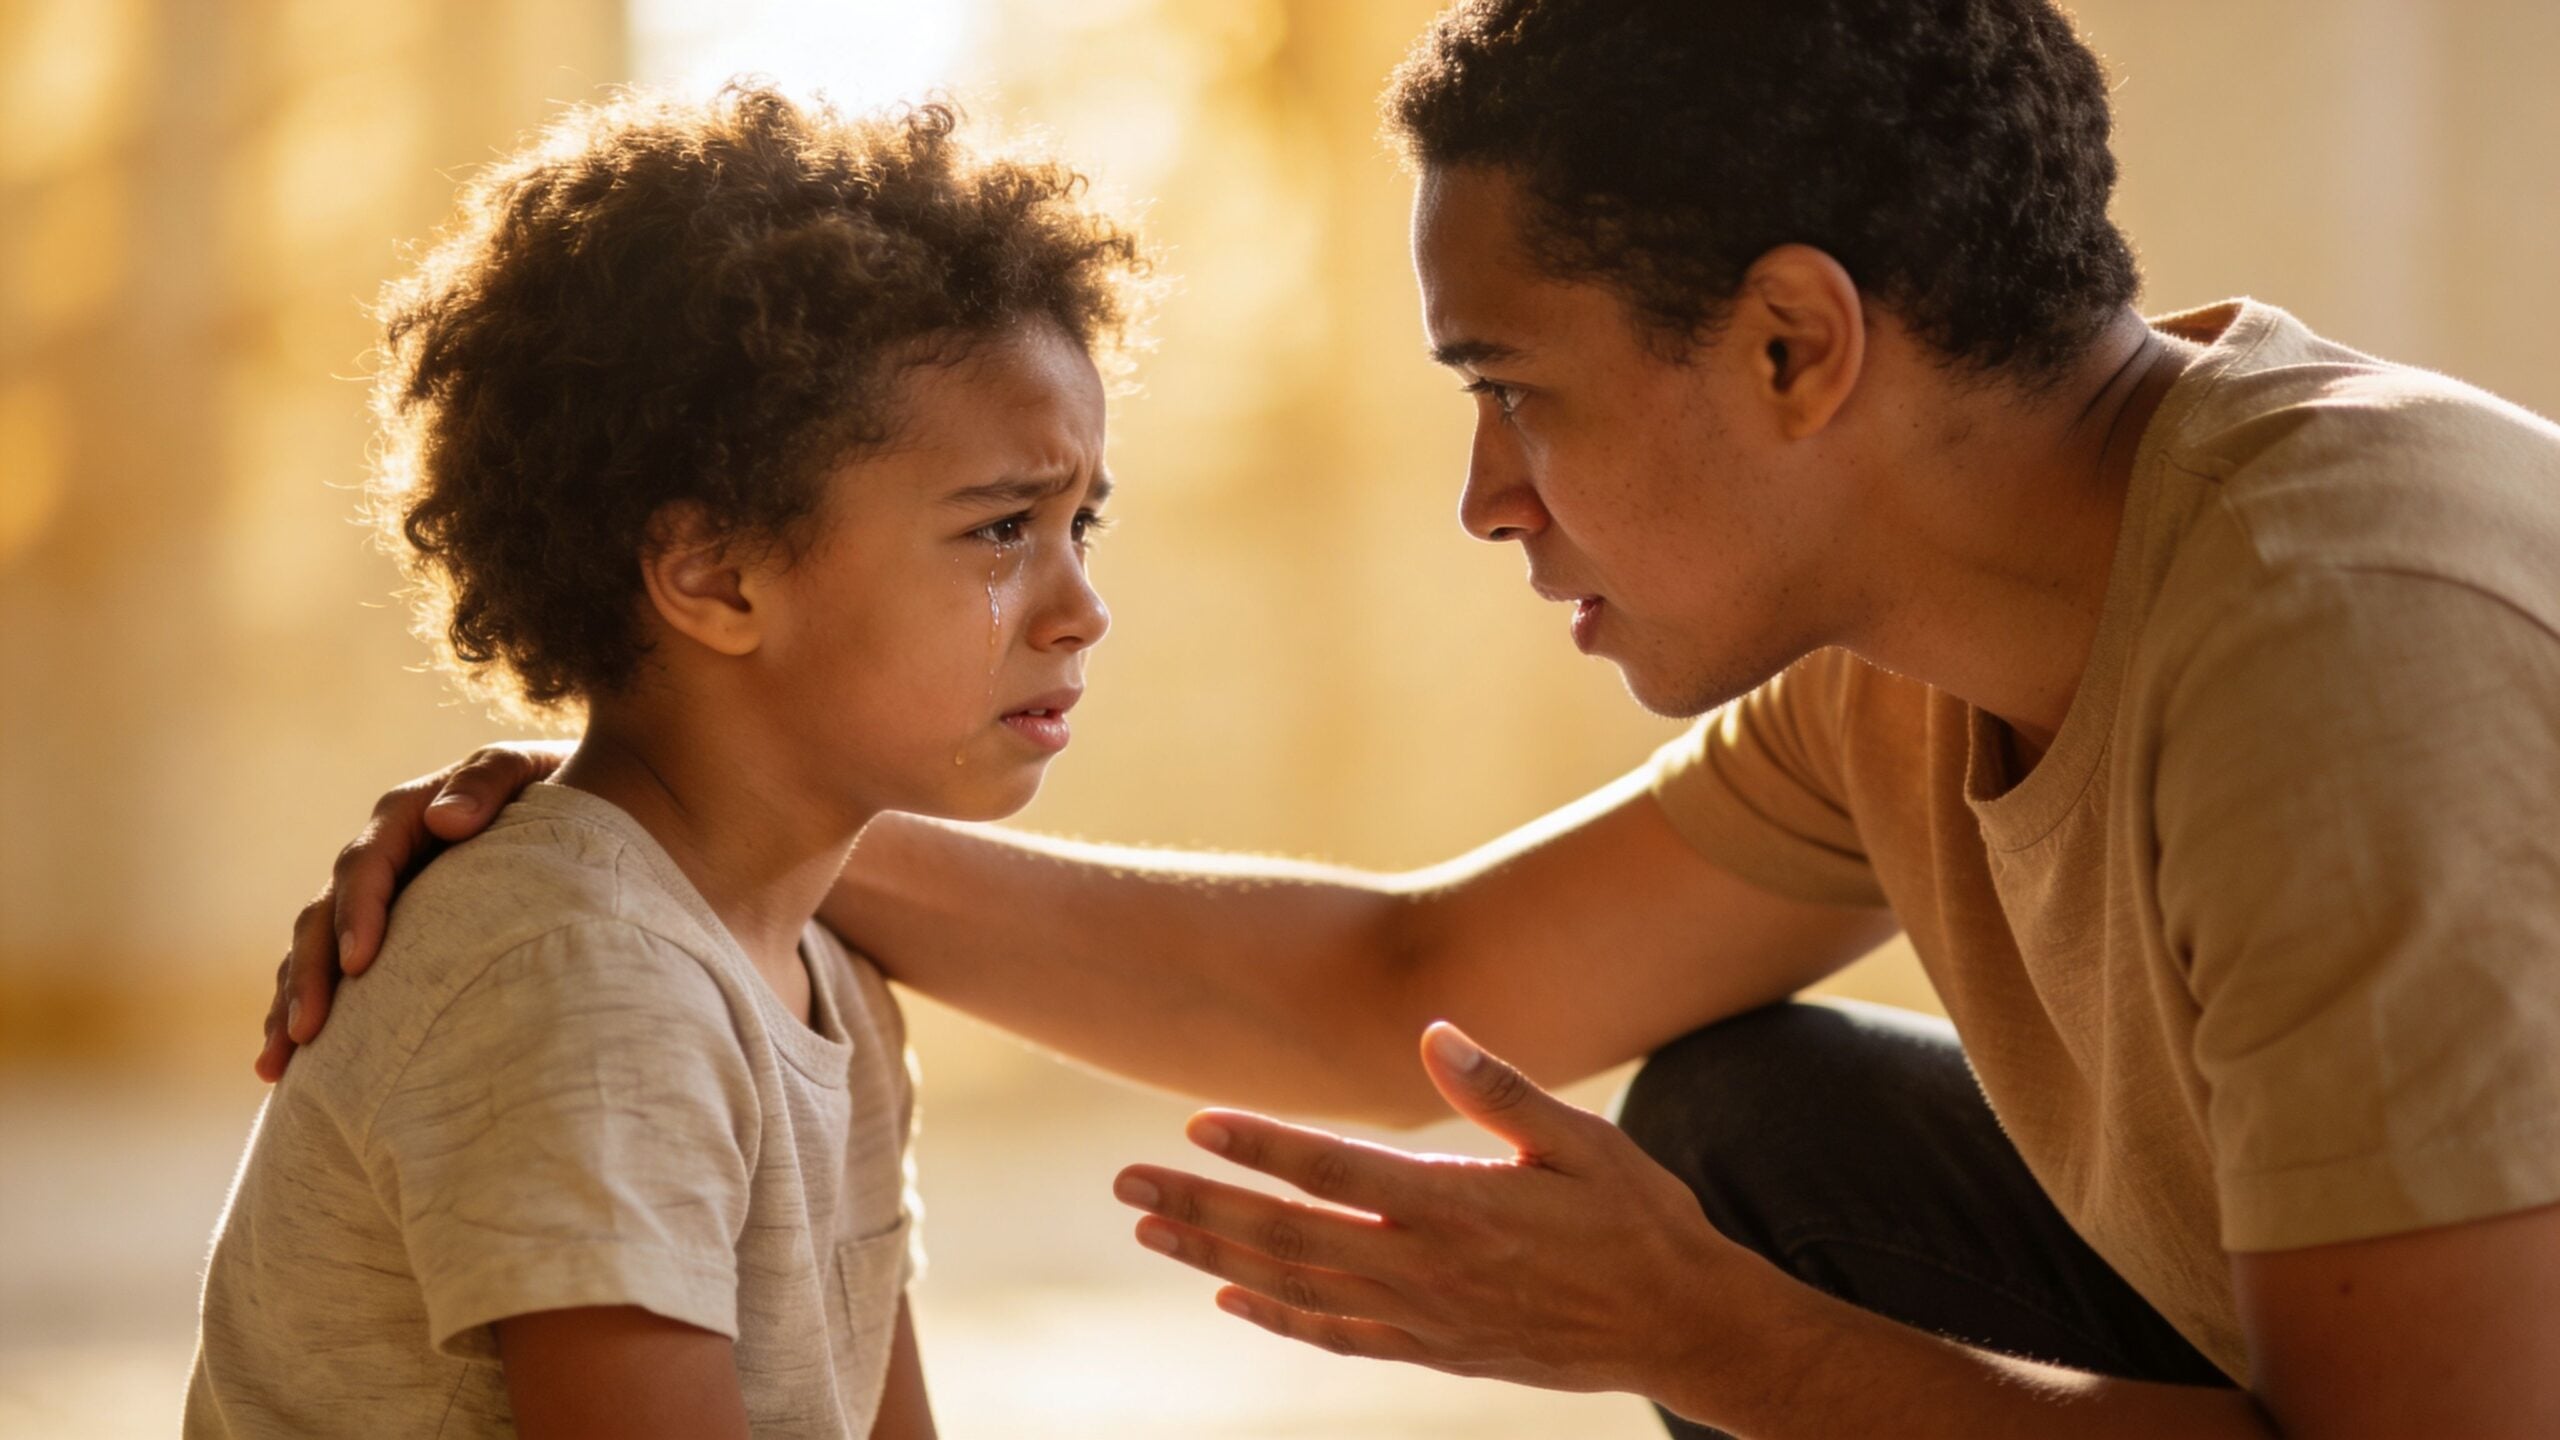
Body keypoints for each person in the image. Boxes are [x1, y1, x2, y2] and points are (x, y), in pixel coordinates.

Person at [265, 2, 2560, 1436]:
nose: (1482, 498)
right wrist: (694, 809)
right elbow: (1411, 987)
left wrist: (1721, 1343)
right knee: (1760, 1128)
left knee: (1744, 1243)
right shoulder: (1926, 622)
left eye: (1509, 393)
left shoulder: (2341, 646)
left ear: (1790, 346)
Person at [192, 86, 1140, 1439]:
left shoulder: (825, 968)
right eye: (1001, 529)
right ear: (714, 573)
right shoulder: (586, 980)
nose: (1080, 608)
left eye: (1080, 524)